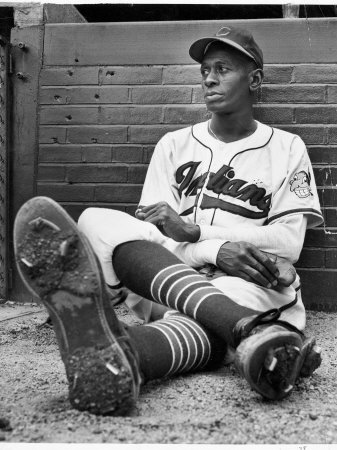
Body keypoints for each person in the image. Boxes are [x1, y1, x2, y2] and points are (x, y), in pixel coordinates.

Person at [14, 26, 324, 416]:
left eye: (223, 68)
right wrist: (212, 249)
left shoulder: (286, 147)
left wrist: (199, 232)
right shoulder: (174, 144)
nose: (209, 78)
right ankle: (250, 331)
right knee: (96, 220)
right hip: (170, 281)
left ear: (255, 80)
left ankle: (129, 353)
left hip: (250, 285)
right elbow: (149, 235)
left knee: (212, 317)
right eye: (205, 70)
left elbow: (288, 243)